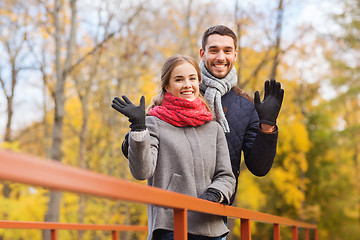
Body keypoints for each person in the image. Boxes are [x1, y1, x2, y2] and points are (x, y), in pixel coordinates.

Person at [111, 54, 236, 240]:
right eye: (179, 79)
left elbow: (226, 175)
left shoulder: (213, 128)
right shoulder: (154, 123)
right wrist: (139, 128)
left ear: (198, 82)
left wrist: (215, 193)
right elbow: (142, 172)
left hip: (211, 227)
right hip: (171, 226)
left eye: (192, 78)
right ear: (167, 86)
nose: (187, 85)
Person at [199, 25, 284, 205]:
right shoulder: (183, 91)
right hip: (173, 206)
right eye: (213, 50)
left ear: (235, 55)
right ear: (202, 54)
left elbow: (259, 168)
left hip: (216, 210)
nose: (221, 57)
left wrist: (267, 125)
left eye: (227, 51)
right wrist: (138, 130)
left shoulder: (246, 105)